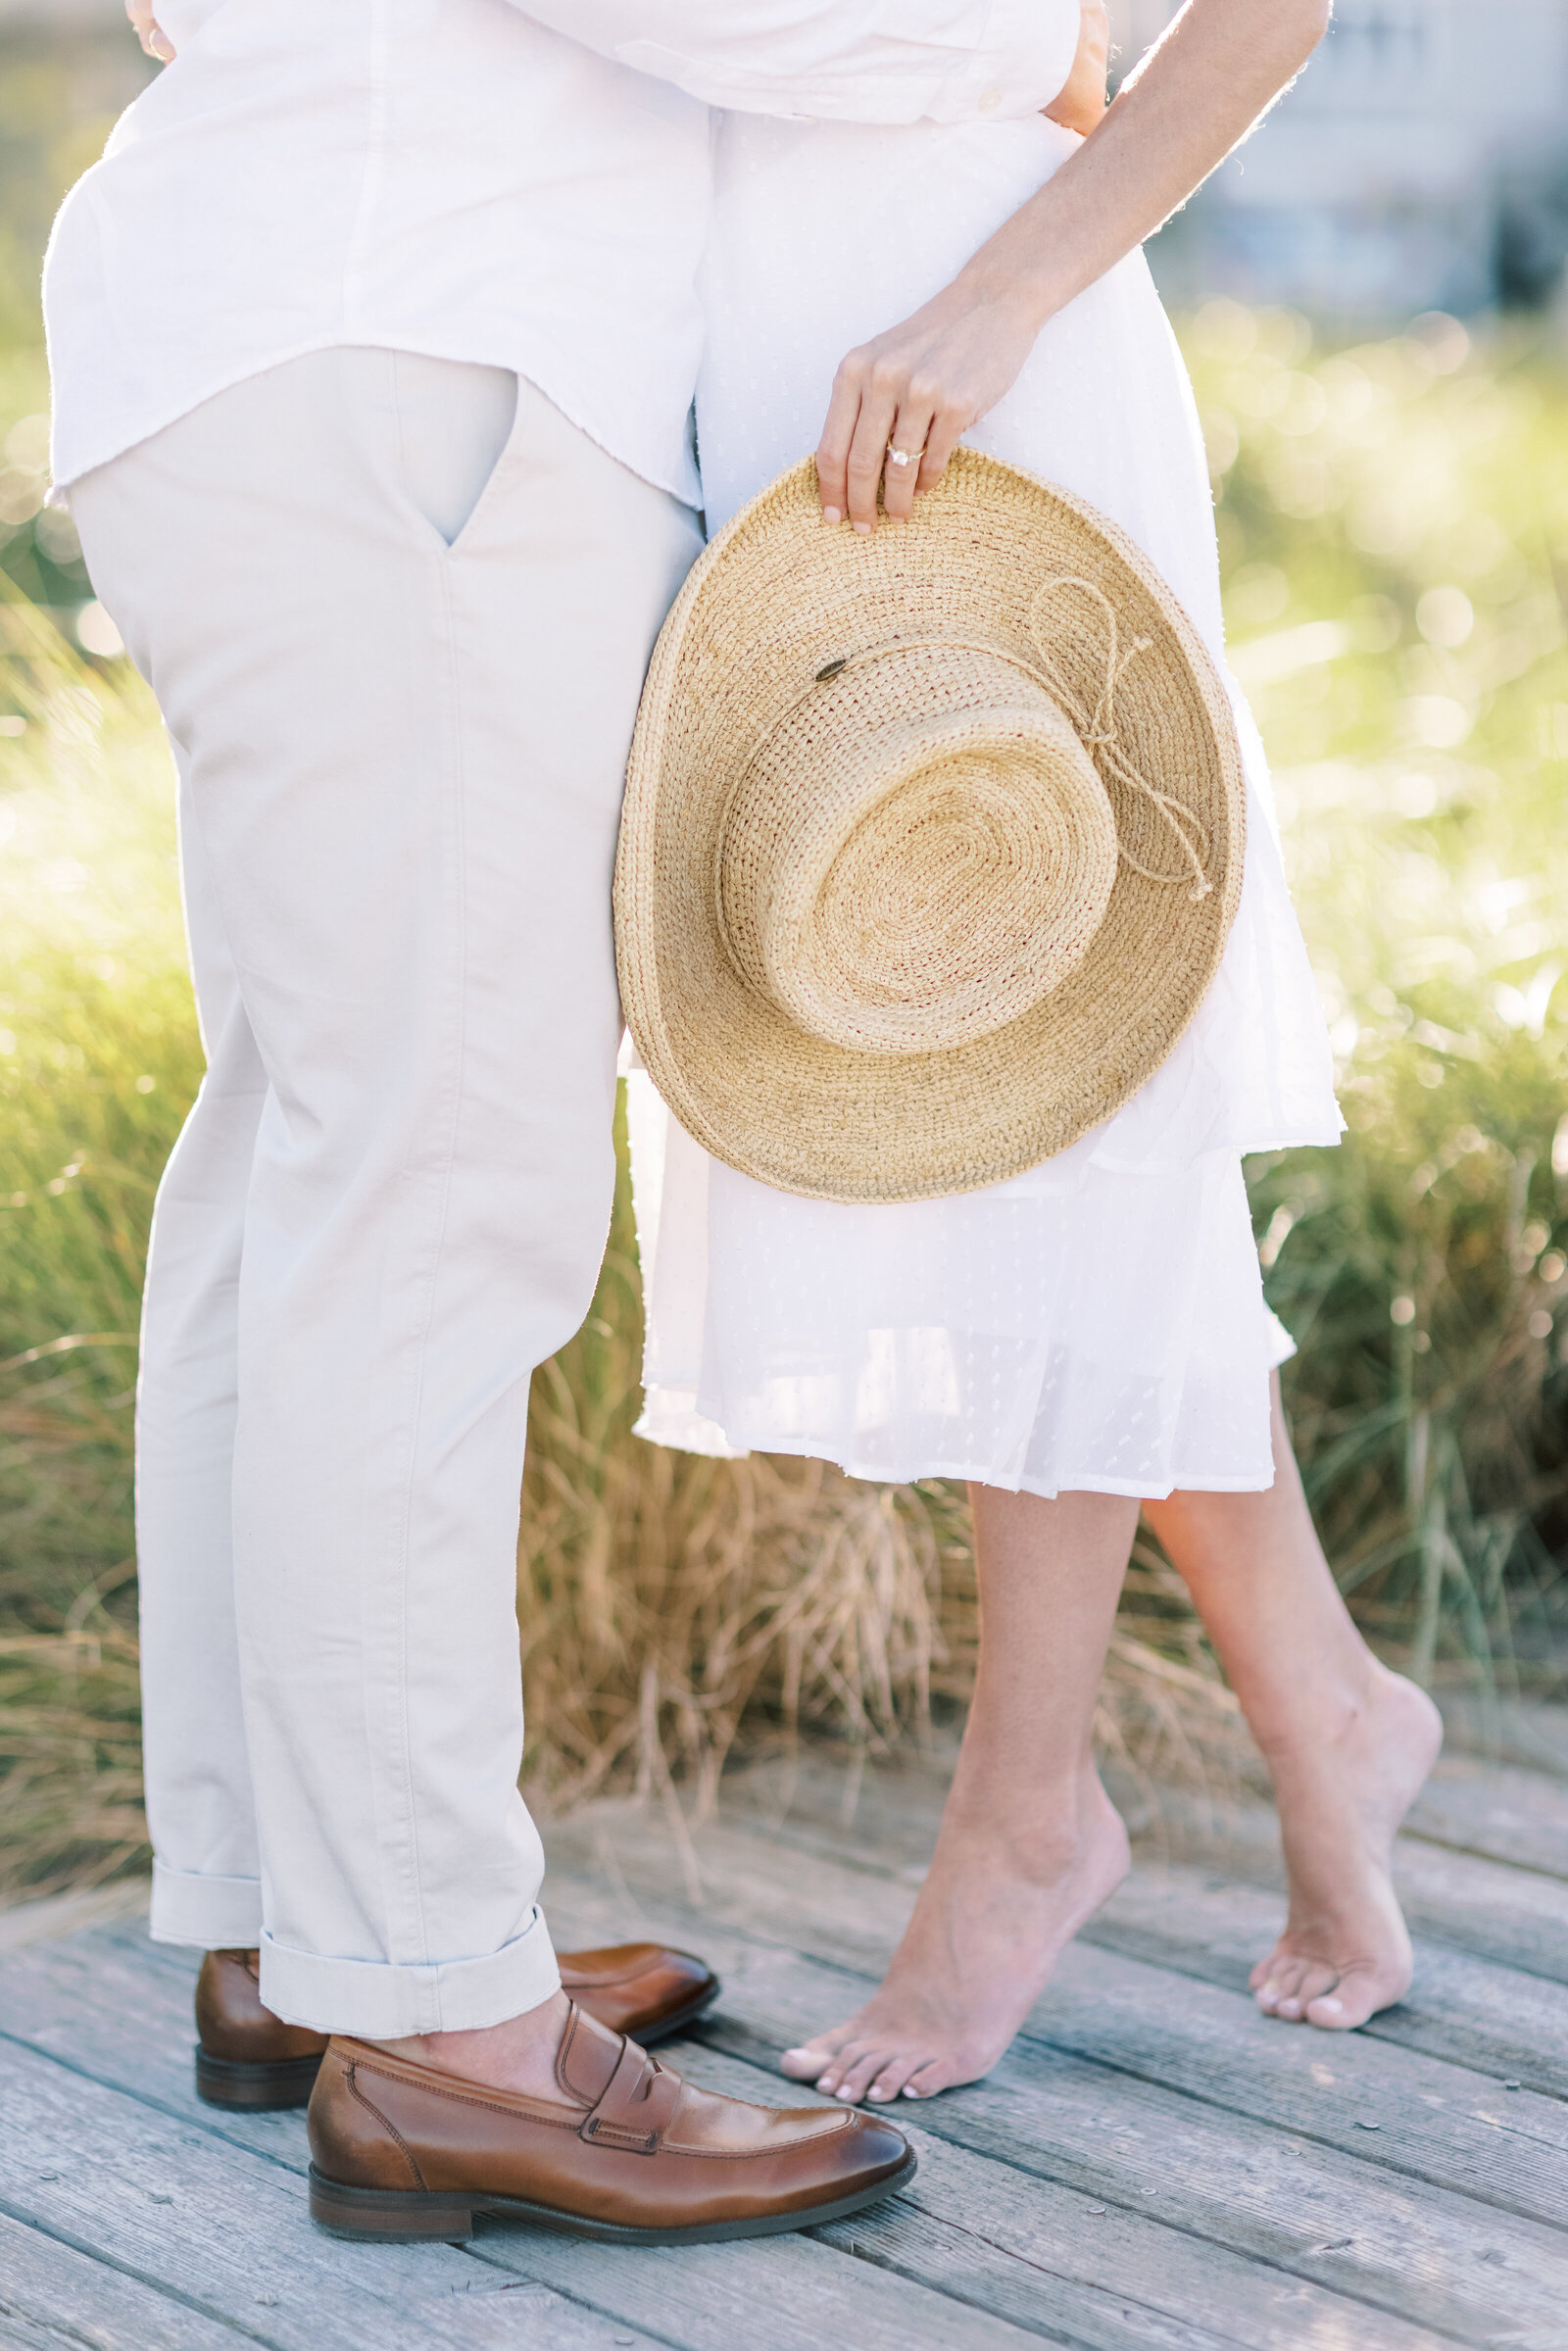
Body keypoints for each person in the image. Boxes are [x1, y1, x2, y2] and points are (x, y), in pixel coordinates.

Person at [43, 0, 1102, 2245]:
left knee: (305, 1165)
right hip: (421, 344)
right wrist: (1030, 33)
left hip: (296, 333)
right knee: (432, 1188)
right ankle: (441, 2018)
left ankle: (306, 1931)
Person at [624, 0, 1443, 2110]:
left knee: (1042, 1100)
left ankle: (1020, 1825)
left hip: (976, 345)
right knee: (955, 1080)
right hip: (722, 362)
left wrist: (993, 297)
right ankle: (1324, 1706)